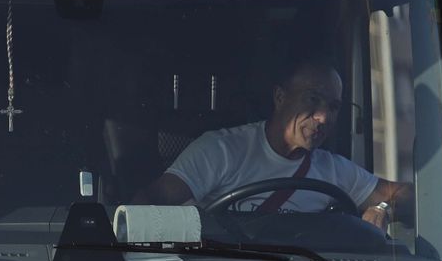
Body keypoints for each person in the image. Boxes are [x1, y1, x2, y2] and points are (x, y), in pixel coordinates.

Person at [137, 59, 409, 228]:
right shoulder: (221, 150)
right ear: (280, 98)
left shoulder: (333, 170)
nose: (324, 117)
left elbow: (405, 195)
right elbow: (149, 203)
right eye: (312, 99)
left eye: (334, 107)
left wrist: (382, 208)